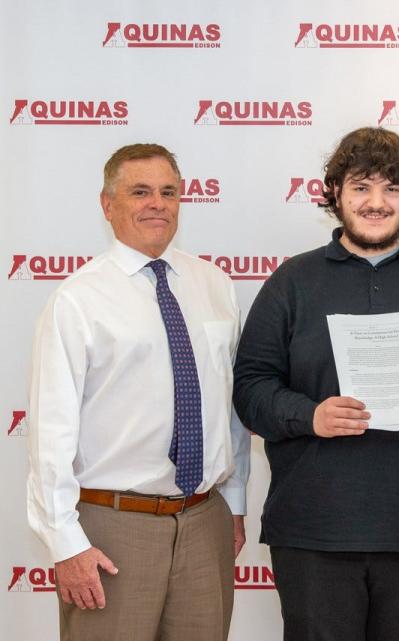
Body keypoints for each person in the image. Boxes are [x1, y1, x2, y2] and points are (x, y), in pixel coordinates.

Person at [232, 127, 399, 641]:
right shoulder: (293, 281)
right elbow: (251, 387)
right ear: (335, 193)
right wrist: (310, 416)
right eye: (361, 187)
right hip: (315, 531)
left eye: (391, 190)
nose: (376, 203)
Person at [26, 143, 249, 641]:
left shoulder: (214, 283)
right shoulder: (77, 299)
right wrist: (66, 544)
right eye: (140, 191)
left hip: (204, 520)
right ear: (108, 205)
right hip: (112, 527)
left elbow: (227, 407)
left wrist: (233, 503)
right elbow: (50, 431)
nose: (157, 204)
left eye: (169, 192)